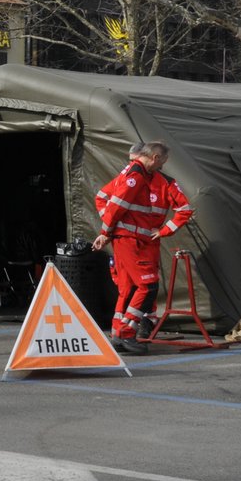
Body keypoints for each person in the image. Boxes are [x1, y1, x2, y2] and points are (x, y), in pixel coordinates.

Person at [91, 140, 195, 354]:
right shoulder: (135, 176)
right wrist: (107, 232)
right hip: (134, 241)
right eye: (163, 160)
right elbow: (113, 204)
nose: (131, 164)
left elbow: (183, 209)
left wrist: (110, 232)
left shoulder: (150, 178)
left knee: (128, 288)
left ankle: (119, 333)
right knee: (147, 286)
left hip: (134, 241)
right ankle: (128, 333)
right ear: (156, 158)